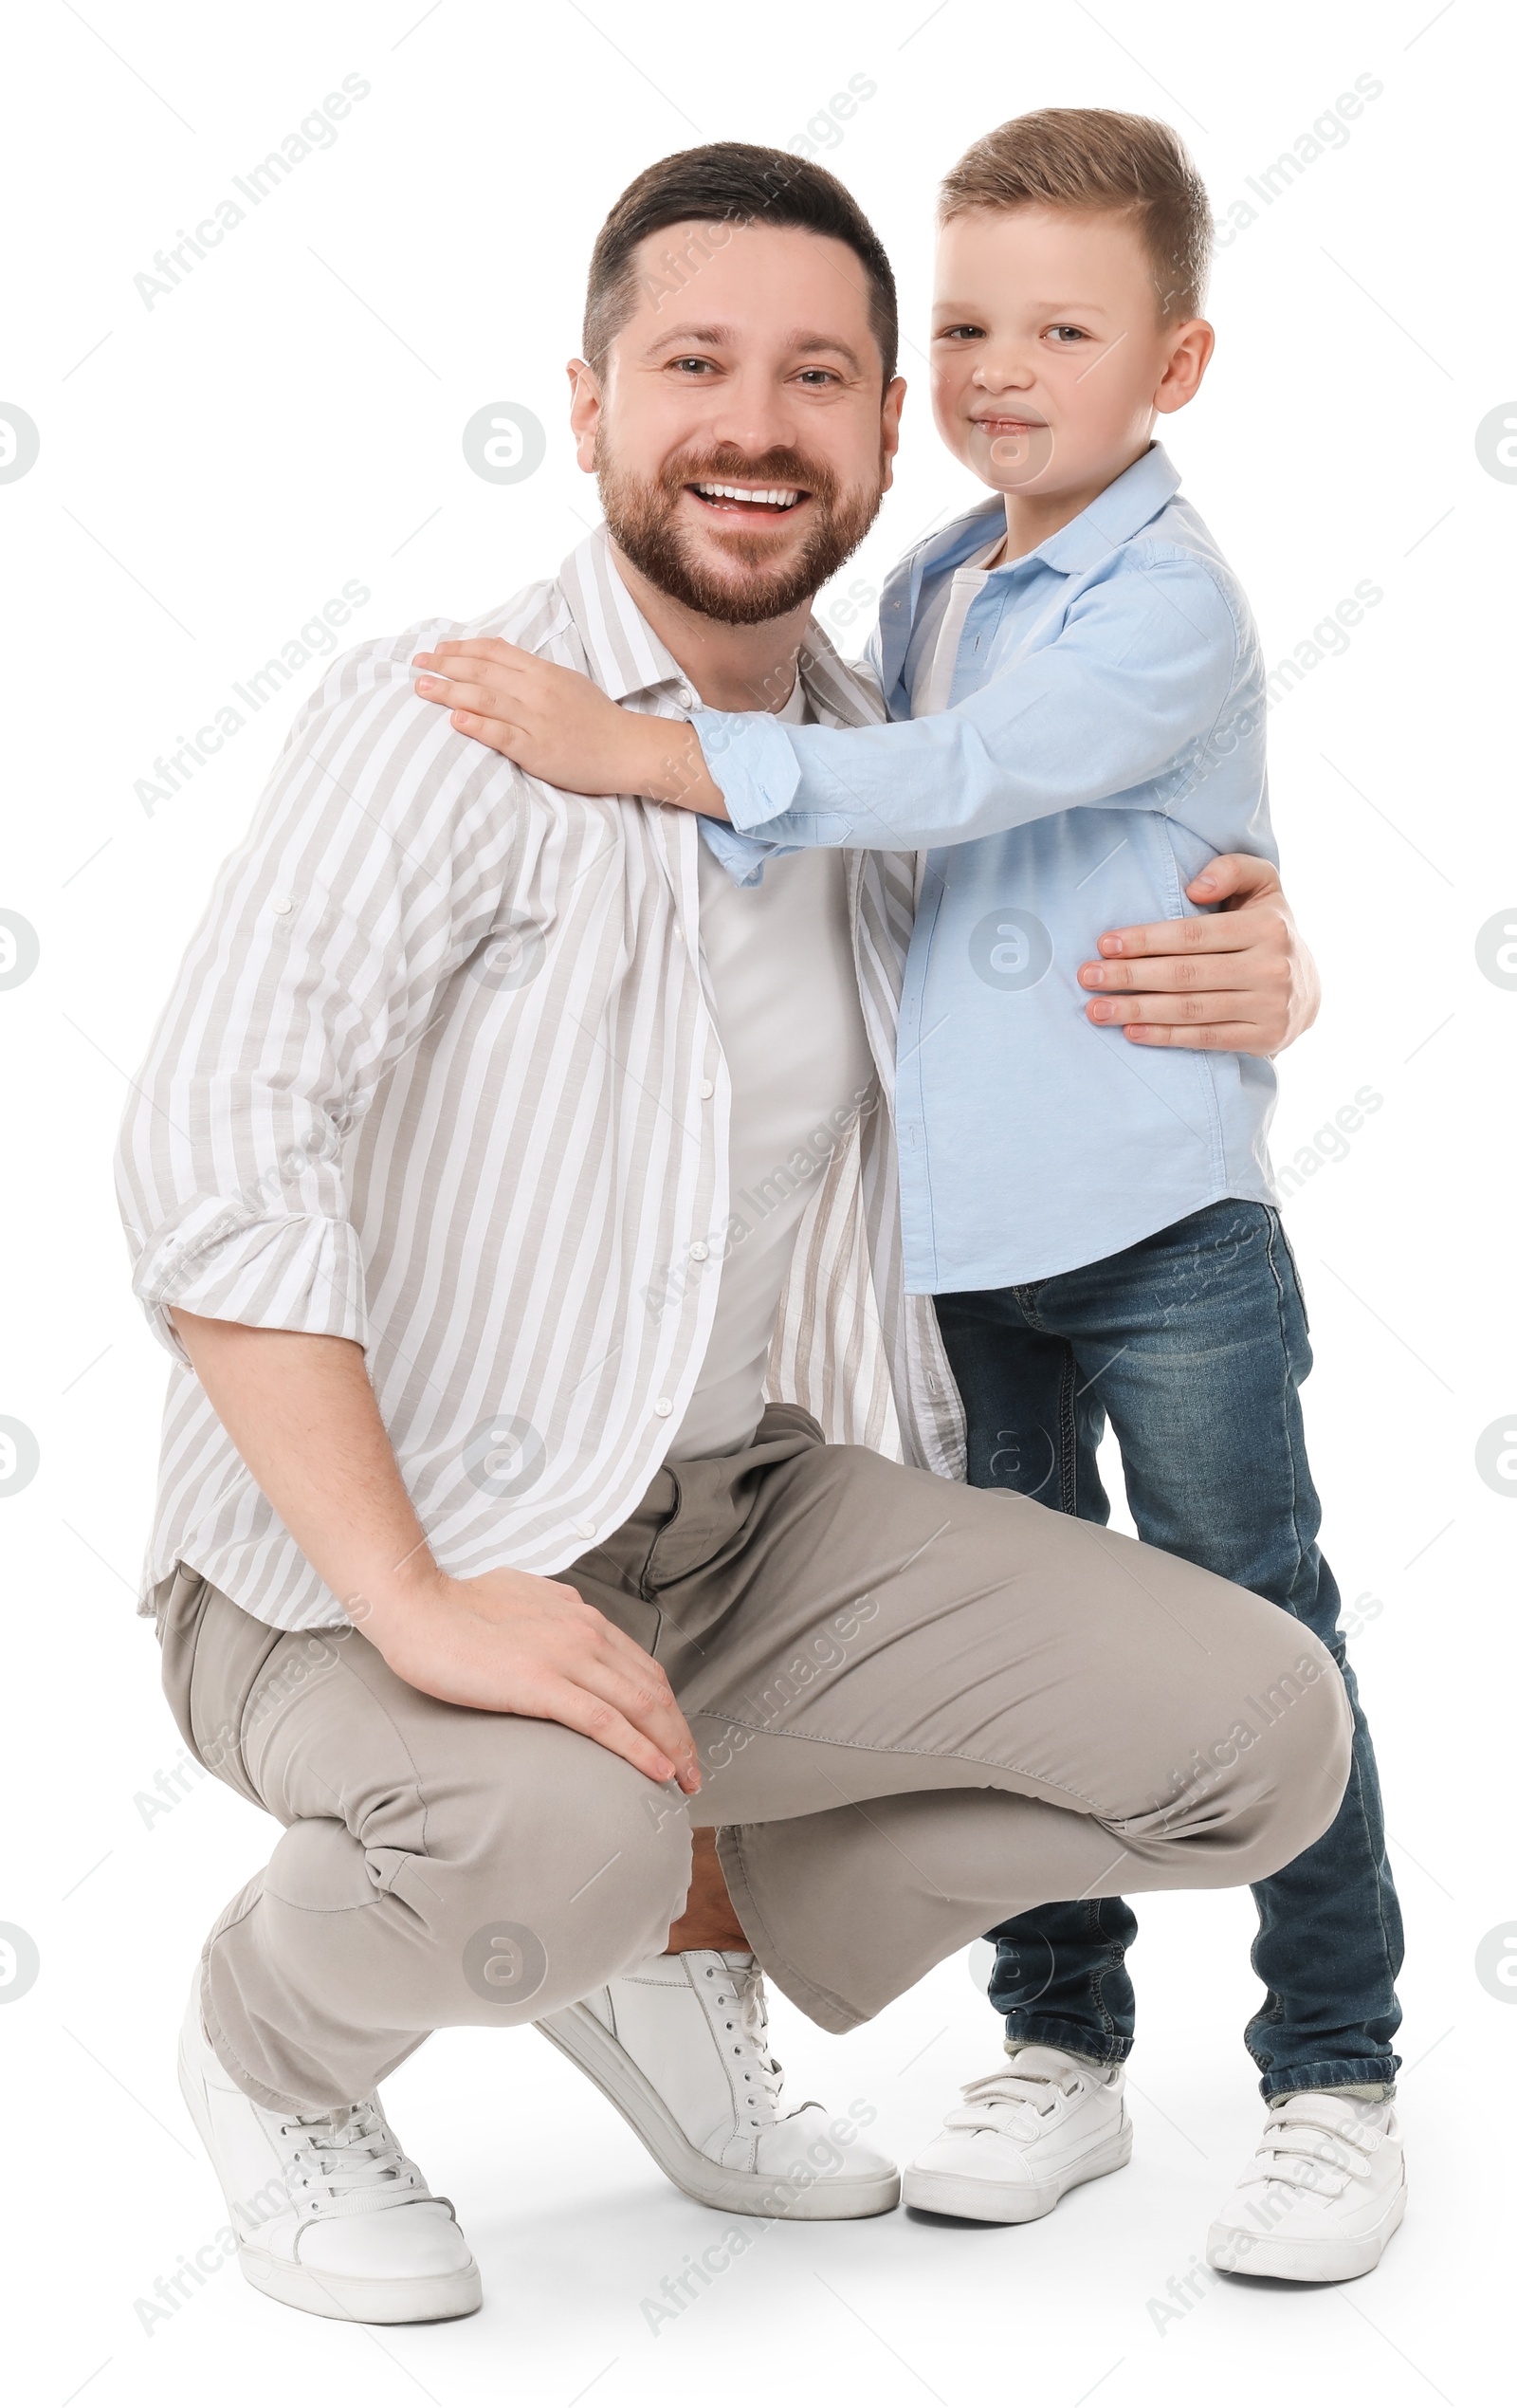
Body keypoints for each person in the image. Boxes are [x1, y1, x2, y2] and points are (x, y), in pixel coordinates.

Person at [116, 141, 1349, 2328]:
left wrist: (1264, 975)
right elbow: (215, 1146)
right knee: (542, 1851)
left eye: (817, 375)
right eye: (693, 363)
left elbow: (1048, 917)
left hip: (736, 1525)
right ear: (586, 402)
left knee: (1260, 1729)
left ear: (889, 432)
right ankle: (275, 2047)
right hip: (368, 1549)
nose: (754, 424)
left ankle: (686, 1933)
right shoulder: (455, 712)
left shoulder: (882, 752)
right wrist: (415, 1592)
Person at [430, 115, 1405, 2285]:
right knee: (1027, 1657)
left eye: (1060, 327)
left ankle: (1333, 2071)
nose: (993, 367)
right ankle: (1058, 2041)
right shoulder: (936, 578)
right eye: (958, 324)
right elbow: (880, 848)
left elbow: (955, 782)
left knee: (1265, 1616)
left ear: (1177, 363)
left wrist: (661, 754)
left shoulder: (1161, 599)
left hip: (1159, 1242)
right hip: (956, 1259)